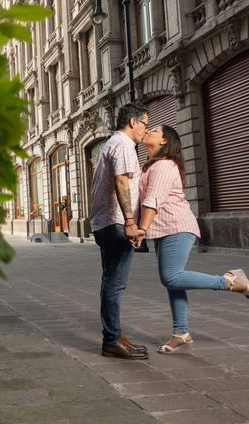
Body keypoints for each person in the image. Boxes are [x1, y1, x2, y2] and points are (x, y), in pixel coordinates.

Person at [135, 124, 249, 354]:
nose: (147, 131)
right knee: (173, 281)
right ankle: (181, 333)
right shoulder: (151, 166)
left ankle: (230, 281)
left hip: (177, 226)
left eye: (154, 130)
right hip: (163, 228)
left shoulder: (163, 165)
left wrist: (141, 229)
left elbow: (153, 200)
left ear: (164, 142)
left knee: (171, 277)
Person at [90, 104, 149, 359]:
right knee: (115, 283)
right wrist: (129, 221)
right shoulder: (124, 144)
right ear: (133, 121)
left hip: (105, 222)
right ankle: (112, 340)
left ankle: (114, 335)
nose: (145, 131)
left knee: (110, 281)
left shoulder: (111, 143)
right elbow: (122, 180)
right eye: (145, 125)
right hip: (115, 222)